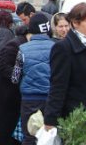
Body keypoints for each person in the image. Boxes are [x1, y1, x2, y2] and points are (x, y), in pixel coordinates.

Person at [44, 2, 86, 131]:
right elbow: (57, 86)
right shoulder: (63, 48)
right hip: (73, 119)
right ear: (75, 23)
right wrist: (50, 120)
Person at [12, 13, 54, 145]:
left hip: (29, 99)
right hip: (51, 98)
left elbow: (14, 77)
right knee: (49, 136)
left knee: (29, 135)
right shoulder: (57, 47)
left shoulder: (23, 49)